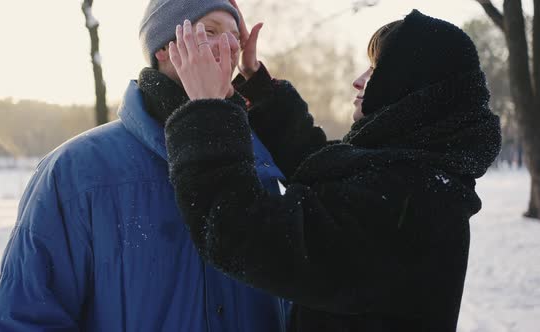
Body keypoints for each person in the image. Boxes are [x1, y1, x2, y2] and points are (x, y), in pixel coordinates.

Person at [164, 9, 502, 332]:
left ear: (412, 88)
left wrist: (207, 112)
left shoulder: (409, 203)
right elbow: (326, 171)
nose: (359, 81)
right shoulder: (416, 175)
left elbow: (241, 231)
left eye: (376, 70)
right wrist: (260, 87)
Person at [0, 0, 290, 331]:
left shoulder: (261, 165)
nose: (230, 46)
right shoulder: (77, 171)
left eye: (235, 36)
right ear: (165, 47)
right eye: (210, 32)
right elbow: (27, 319)